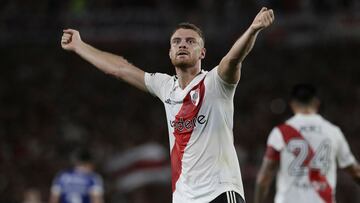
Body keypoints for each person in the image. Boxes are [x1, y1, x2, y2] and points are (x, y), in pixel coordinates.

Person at [61, 7, 274, 203]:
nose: (182, 44)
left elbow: (234, 59)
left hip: (219, 192)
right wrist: (80, 45)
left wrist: (253, 30)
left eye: (191, 41)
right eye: (177, 41)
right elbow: (120, 69)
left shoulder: (215, 83)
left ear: (203, 53)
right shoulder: (165, 86)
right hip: (183, 198)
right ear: (170, 52)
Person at [254, 84, 360, 203]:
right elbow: (356, 172)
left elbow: (264, 177)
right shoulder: (333, 132)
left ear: (292, 104)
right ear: (316, 103)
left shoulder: (280, 132)